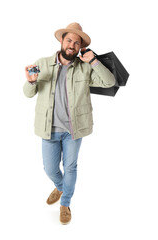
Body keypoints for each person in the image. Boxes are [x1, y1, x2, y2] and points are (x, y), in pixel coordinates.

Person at [23, 22, 116, 224]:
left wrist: (94, 61)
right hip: (49, 129)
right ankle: (61, 186)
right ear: (61, 41)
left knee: (71, 167)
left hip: (74, 129)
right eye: (69, 40)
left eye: (76, 42)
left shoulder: (85, 68)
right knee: (50, 169)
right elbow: (28, 93)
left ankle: (65, 203)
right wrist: (31, 81)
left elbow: (109, 82)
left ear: (80, 47)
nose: (72, 45)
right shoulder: (43, 63)